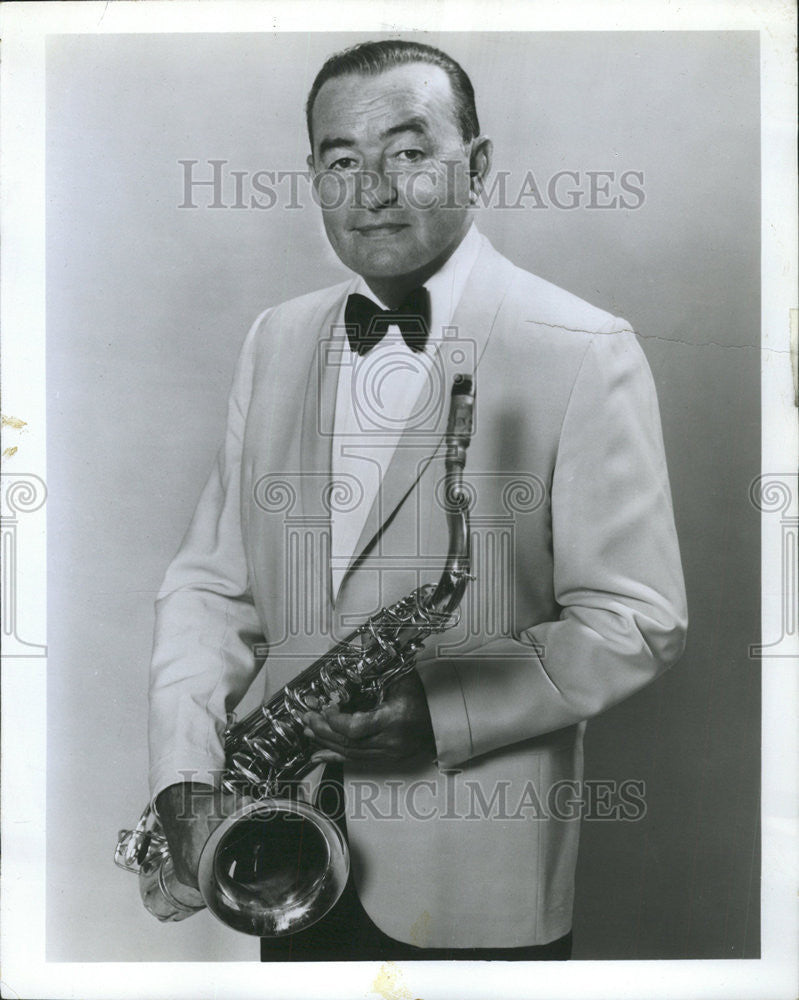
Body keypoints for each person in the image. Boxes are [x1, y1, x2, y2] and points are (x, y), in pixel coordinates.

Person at [147, 39, 688, 961]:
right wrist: (187, 776)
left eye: (407, 153)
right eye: (341, 161)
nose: (373, 192)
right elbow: (214, 587)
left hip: (474, 882)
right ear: (312, 178)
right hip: (286, 851)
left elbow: (637, 618)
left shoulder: (582, 348)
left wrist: (438, 713)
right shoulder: (276, 340)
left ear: (475, 164)